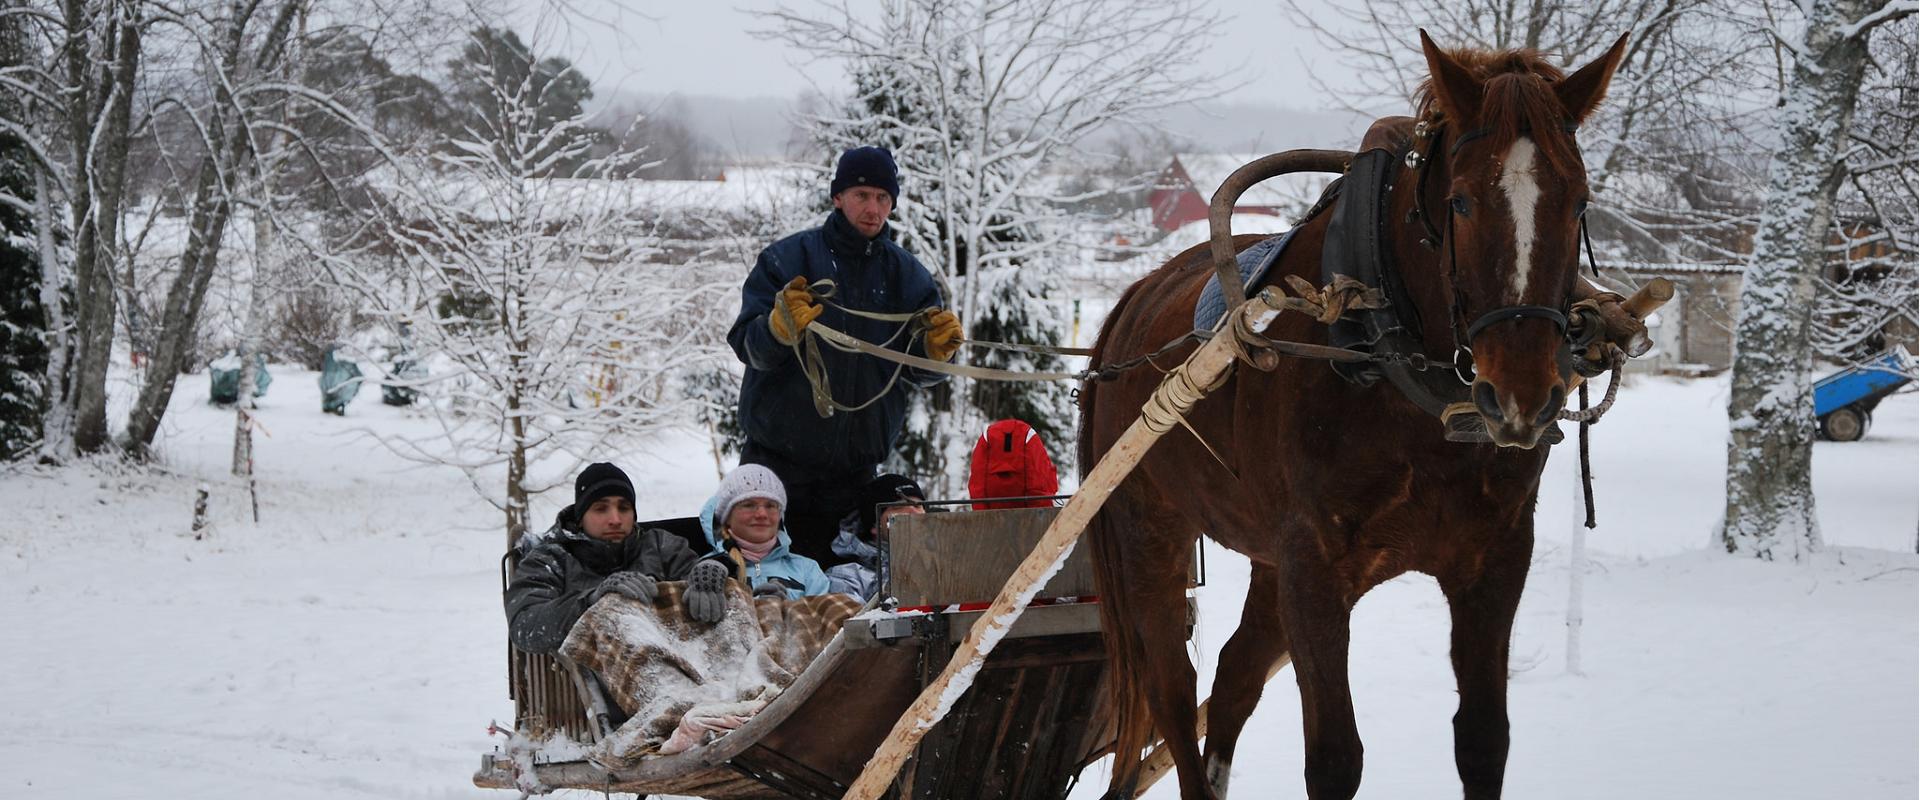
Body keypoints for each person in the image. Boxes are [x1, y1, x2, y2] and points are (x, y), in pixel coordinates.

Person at [726, 146, 963, 568]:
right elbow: (747, 344)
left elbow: (918, 375)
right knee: (767, 595)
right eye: (862, 195)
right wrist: (777, 331)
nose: (873, 209)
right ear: (838, 197)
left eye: (883, 198)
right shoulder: (788, 260)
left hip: (855, 476)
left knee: (849, 602)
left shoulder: (909, 277)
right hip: (775, 468)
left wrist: (933, 357)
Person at [505, 463, 733, 654]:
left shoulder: (660, 545)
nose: (615, 519)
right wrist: (592, 602)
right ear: (580, 517)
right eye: (601, 509)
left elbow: (693, 576)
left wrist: (710, 570)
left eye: (624, 508)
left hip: (682, 663)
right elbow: (526, 626)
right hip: (586, 689)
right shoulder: (551, 557)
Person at [698, 464, 831, 599]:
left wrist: (784, 610)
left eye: (770, 506)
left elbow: (823, 617)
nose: (762, 514)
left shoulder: (807, 570)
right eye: (749, 505)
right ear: (727, 518)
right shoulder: (708, 571)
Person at [826, 474, 926, 601]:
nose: (915, 513)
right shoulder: (848, 578)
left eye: (918, 506)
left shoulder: (949, 560)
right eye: (899, 507)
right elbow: (845, 618)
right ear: (874, 525)